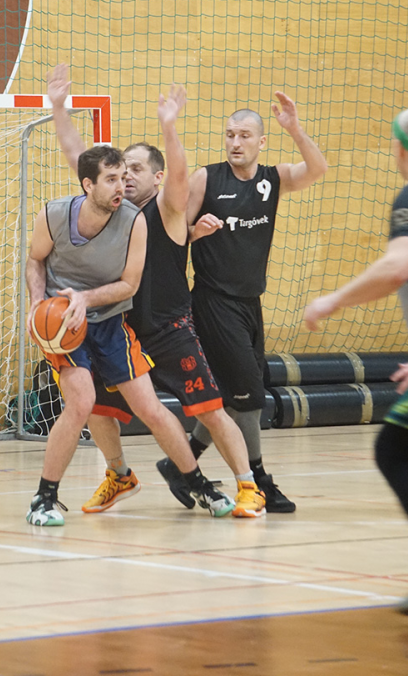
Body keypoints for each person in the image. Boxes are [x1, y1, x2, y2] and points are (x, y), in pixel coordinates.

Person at [46, 64, 266, 519]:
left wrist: (169, 126)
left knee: (210, 409)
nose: (126, 176)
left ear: (157, 177)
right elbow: (77, 157)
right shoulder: (113, 210)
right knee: (98, 410)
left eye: (137, 169)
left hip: (169, 330)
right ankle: (118, 475)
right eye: (122, 170)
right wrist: (59, 108)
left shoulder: (167, 211)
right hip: (122, 329)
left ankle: (249, 485)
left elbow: (181, 175)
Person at [26, 141, 231, 526]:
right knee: (82, 402)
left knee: (149, 407)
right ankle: (44, 497)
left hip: (109, 320)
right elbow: (35, 260)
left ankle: (198, 483)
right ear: (88, 184)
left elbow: (129, 285)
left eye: (123, 177)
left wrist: (86, 298)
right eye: (111, 179)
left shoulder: (134, 220)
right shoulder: (53, 215)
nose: (121, 186)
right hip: (64, 323)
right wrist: (38, 303)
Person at [157, 94, 328, 514]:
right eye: (230, 135)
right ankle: (258, 480)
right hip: (213, 302)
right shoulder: (206, 178)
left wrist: (294, 128)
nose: (235, 142)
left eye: (245, 135)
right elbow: (174, 234)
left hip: (251, 303)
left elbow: (317, 169)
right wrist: (196, 232)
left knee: (235, 397)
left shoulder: (272, 179)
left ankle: (180, 463)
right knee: (250, 397)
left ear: (261, 141)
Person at [304, 106, 408, 615]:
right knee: (395, 447)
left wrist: (333, 301)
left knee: (395, 452)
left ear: (400, 147)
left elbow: (399, 265)